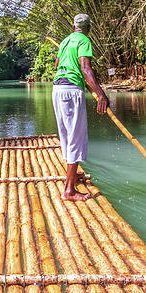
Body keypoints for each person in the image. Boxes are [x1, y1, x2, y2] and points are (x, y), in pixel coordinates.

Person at [52, 13, 109, 201]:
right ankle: (69, 190)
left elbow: (57, 66)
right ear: (89, 27)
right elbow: (85, 68)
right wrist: (100, 94)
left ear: (73, 25)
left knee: (67, 135)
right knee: (76, 138)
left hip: (57, 89)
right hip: (71, 90)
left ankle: (73, 177)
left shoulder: (65, 41)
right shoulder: (83, 40)